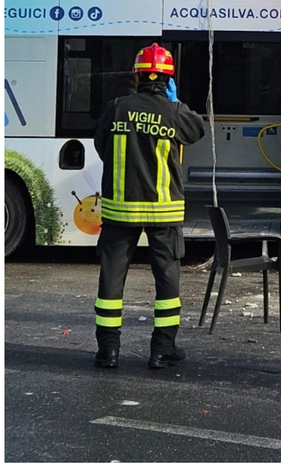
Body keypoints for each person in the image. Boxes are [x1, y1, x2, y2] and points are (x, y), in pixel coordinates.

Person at [91, 43, 207, 370]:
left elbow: (102, 147)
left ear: (137, 76)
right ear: (168, 78)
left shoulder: (116, 108)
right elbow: (197, 129)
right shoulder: (173, 112)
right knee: (167, 281)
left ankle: (108, 352)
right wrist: (175, 102)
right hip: (164, 211)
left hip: (119, 211)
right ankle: (161, 350)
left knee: (111, 281)